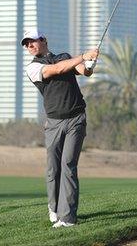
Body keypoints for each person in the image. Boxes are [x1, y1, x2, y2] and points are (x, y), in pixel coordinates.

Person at [21, 29, 98, 228]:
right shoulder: (33, 68)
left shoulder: (64, 57)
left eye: (32, 41)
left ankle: (68, 218)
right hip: (53, 123)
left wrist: (90, 63)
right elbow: (56, 70)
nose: (29, 46)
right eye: (26, 43)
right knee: (52, 169)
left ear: (43, 40)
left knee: (68, 165)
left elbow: (84, 72)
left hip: (76, 119)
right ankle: (54, 209)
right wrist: (82, 56)